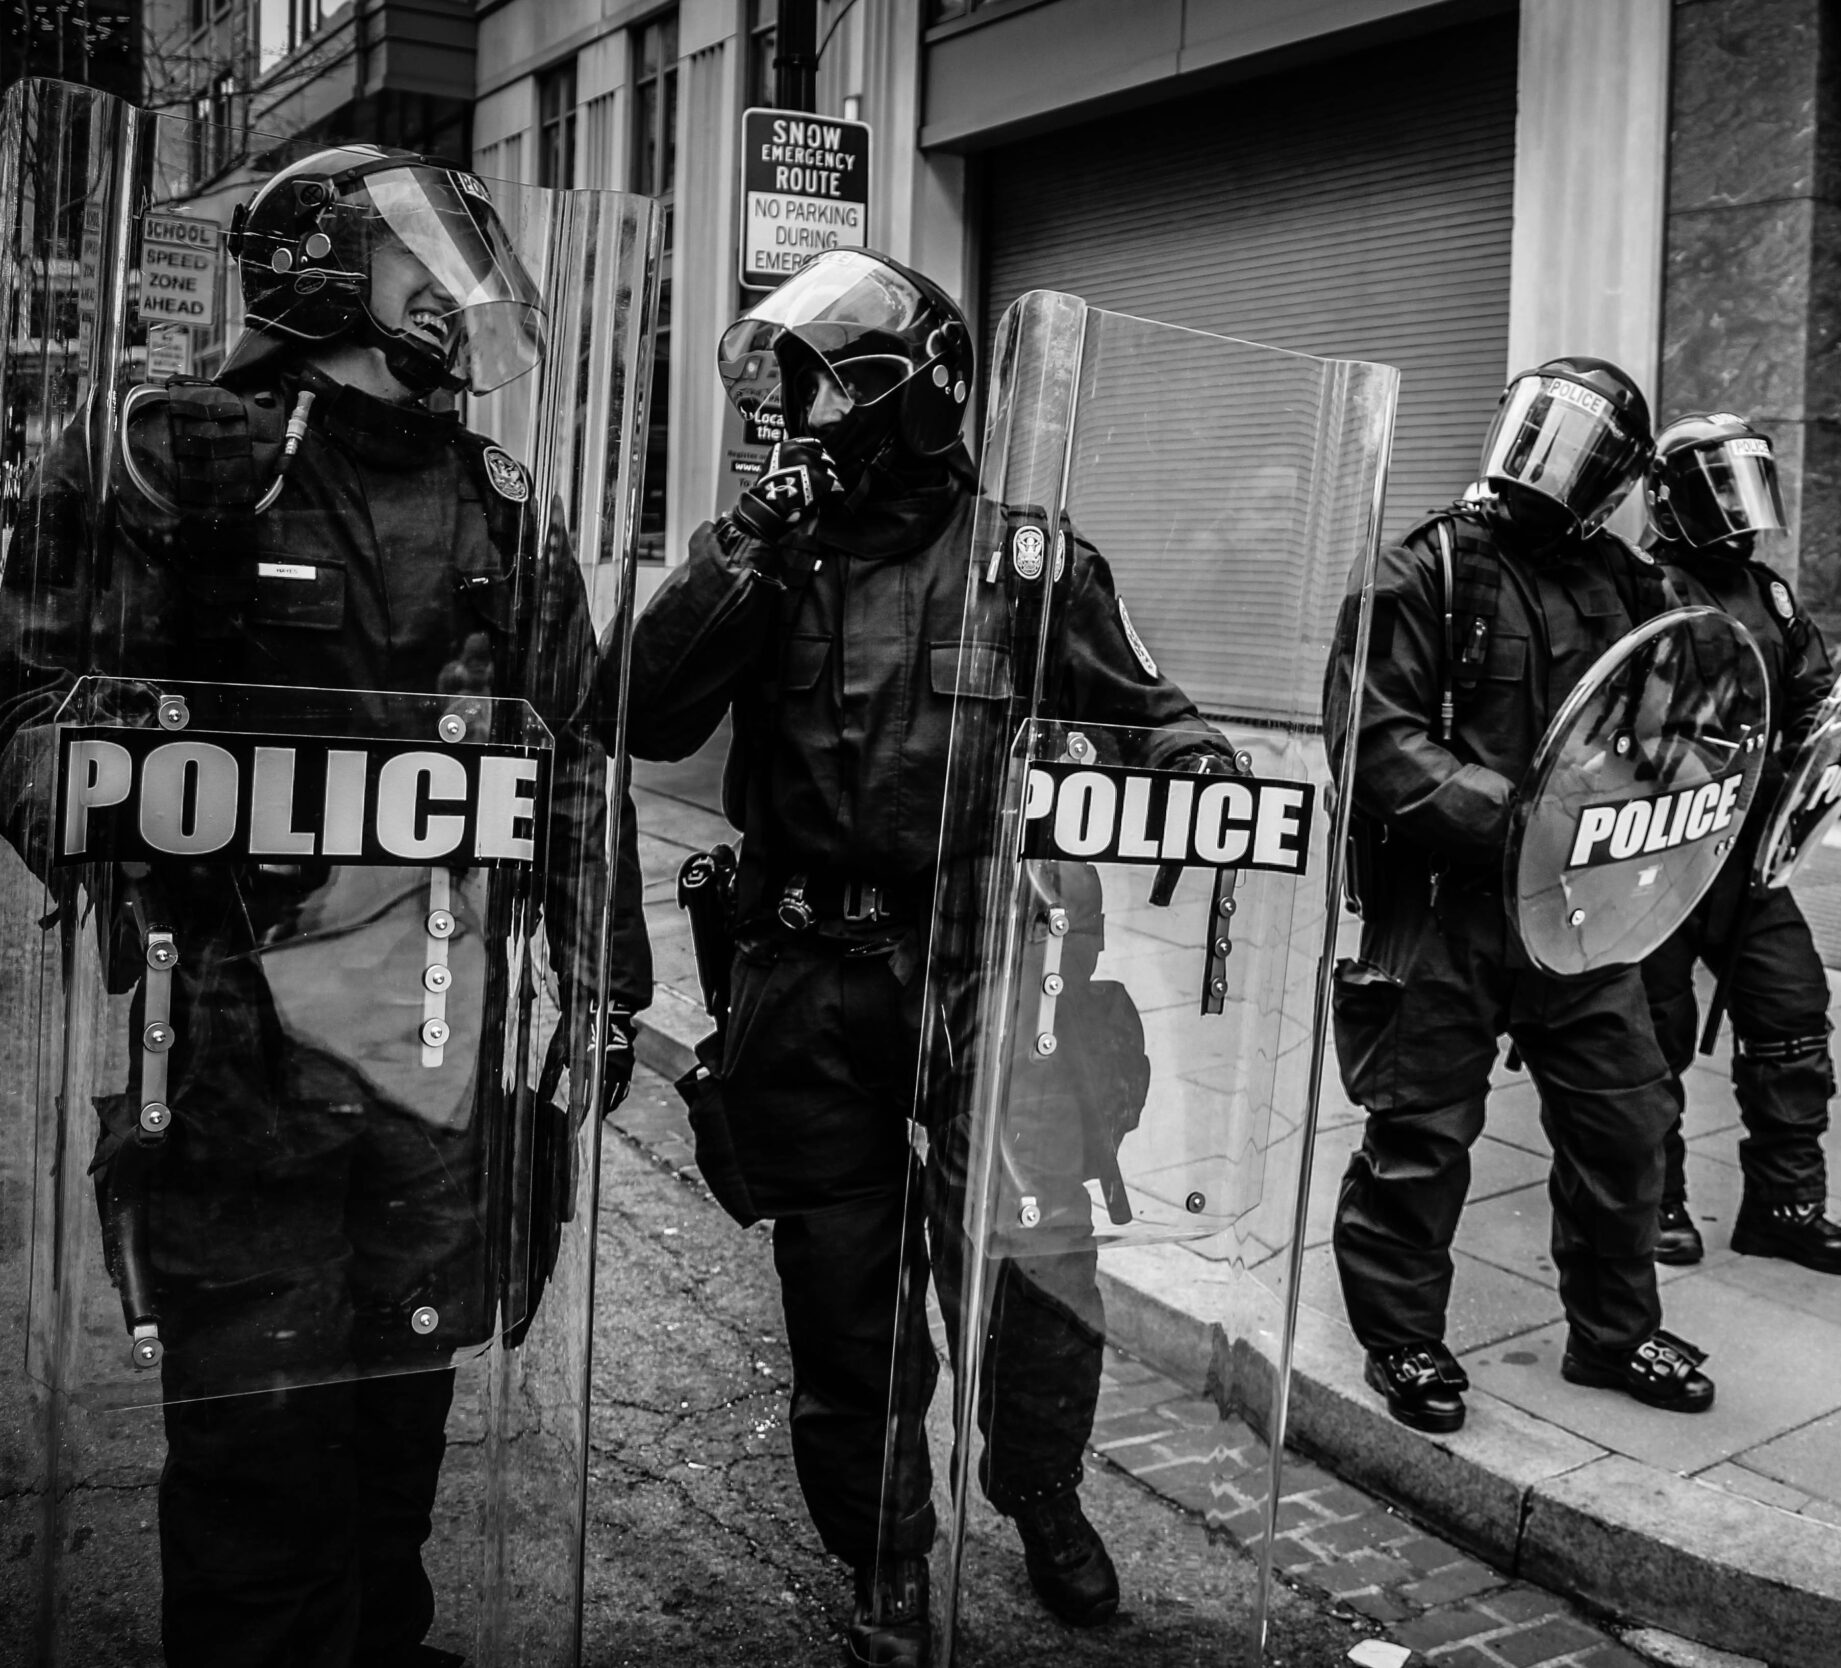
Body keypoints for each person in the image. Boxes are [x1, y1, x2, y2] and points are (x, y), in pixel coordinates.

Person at [0, 146, 647, 1667]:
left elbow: (571, 761)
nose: (459, 297)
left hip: (436, 1035)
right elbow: (26, 697)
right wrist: (123, 803)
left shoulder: (497, 496)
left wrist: (603, 978)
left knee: (401, 1407)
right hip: (235, 1042)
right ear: (324, 272)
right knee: (258, 1436)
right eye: (425, 263)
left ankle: (388, 1638)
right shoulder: (182, 453)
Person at [616, 249, 1235, 1665]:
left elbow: (1156, 715)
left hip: (991, 966)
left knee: (1035, 1266)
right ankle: (887, 1556)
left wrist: (1200, 772)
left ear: (915, 399)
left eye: (827, 387)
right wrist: (747, 547)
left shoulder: (1033, 560)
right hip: (807, 975)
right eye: (790, 390)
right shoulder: (770, 551)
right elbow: (643, 712)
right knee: (844, 1295)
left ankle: (1044, 1494)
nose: (800, 418)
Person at [1325, 357, 1714, 1437]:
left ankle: (1614, 1329)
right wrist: (1517, 817)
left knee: (1629, 1122)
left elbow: (1683, 721)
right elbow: (1374, 739)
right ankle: (1402, 1339)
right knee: (1420, 1140)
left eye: (1585, 448)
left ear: (1621, 477)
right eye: (1543, 431)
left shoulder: (1635, 587)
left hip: (1584, 917)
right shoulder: (1426, 571)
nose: (1553, 464)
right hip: (1449, 909)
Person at [1633, 414, 1841, 1276]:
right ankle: (1651, 1201)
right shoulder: (1635, 586)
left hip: (1750, 851)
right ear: (1670, 501)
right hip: (1654, 852)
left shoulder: (1767, 594)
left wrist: (1823, 745)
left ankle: (1784, 1206)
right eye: (1719, 488)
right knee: (1649, 1037)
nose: (1739, 509)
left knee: (1792, 1015)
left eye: (1747, 486)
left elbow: (1809, 692)